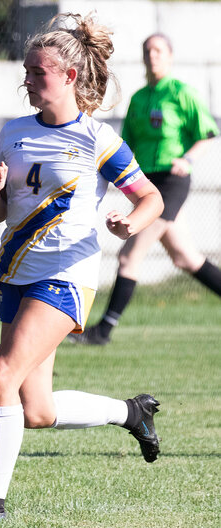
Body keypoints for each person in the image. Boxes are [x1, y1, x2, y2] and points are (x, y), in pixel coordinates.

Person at [0, 13, 165, 524]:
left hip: (66, 276)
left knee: (1, 374)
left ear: (70, 77)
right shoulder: (13, 133)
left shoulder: (97, 139)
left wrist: (128, 224)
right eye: (27, 70)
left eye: (38, 72)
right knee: (36, 410)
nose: (27, 80)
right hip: (17, 272)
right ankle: (131, 413)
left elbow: (151, 198)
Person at [71, 33, 221, 346]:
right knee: (185, 258)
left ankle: (103, 331)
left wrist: (187, 158)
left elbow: (207, 133)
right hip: (147, 184)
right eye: (147, 50)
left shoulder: (182, 93)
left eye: (158, 50)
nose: (152, 55)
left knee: (130, 255)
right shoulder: (139, 98)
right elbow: (126, 146)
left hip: (171, 182)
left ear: (170, 55)